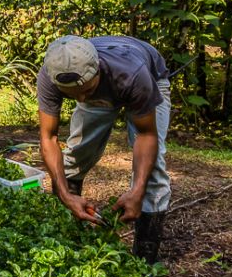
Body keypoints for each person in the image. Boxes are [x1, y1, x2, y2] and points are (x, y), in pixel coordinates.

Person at [37, 35, 171, 264]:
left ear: (97, 70)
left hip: (149, 77)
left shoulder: (133, 74)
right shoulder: (51, 75)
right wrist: (65, 195)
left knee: (153, 171)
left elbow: (146, 135)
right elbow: (48, 138)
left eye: (87, 91)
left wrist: (137, 191)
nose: (81, 98)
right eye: (72, 95)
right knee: (75, 155)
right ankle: (69, 242)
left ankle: (145, 267)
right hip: (108, 80)